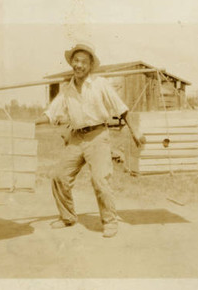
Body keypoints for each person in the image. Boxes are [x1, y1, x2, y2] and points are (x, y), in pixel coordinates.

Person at [35, 43, 144, 238]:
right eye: (76, 61)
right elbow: (51, 114)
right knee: (59, 175)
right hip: (76, 137)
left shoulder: (100, 84)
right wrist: (28, 124)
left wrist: (135, 132)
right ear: (72, 64)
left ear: (90, 65)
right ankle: (67, 217)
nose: (79, 65)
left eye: (83, 62)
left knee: (100, 179)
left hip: (98, 136)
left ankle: (110, 221)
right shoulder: (66, 90)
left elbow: (121, 108)